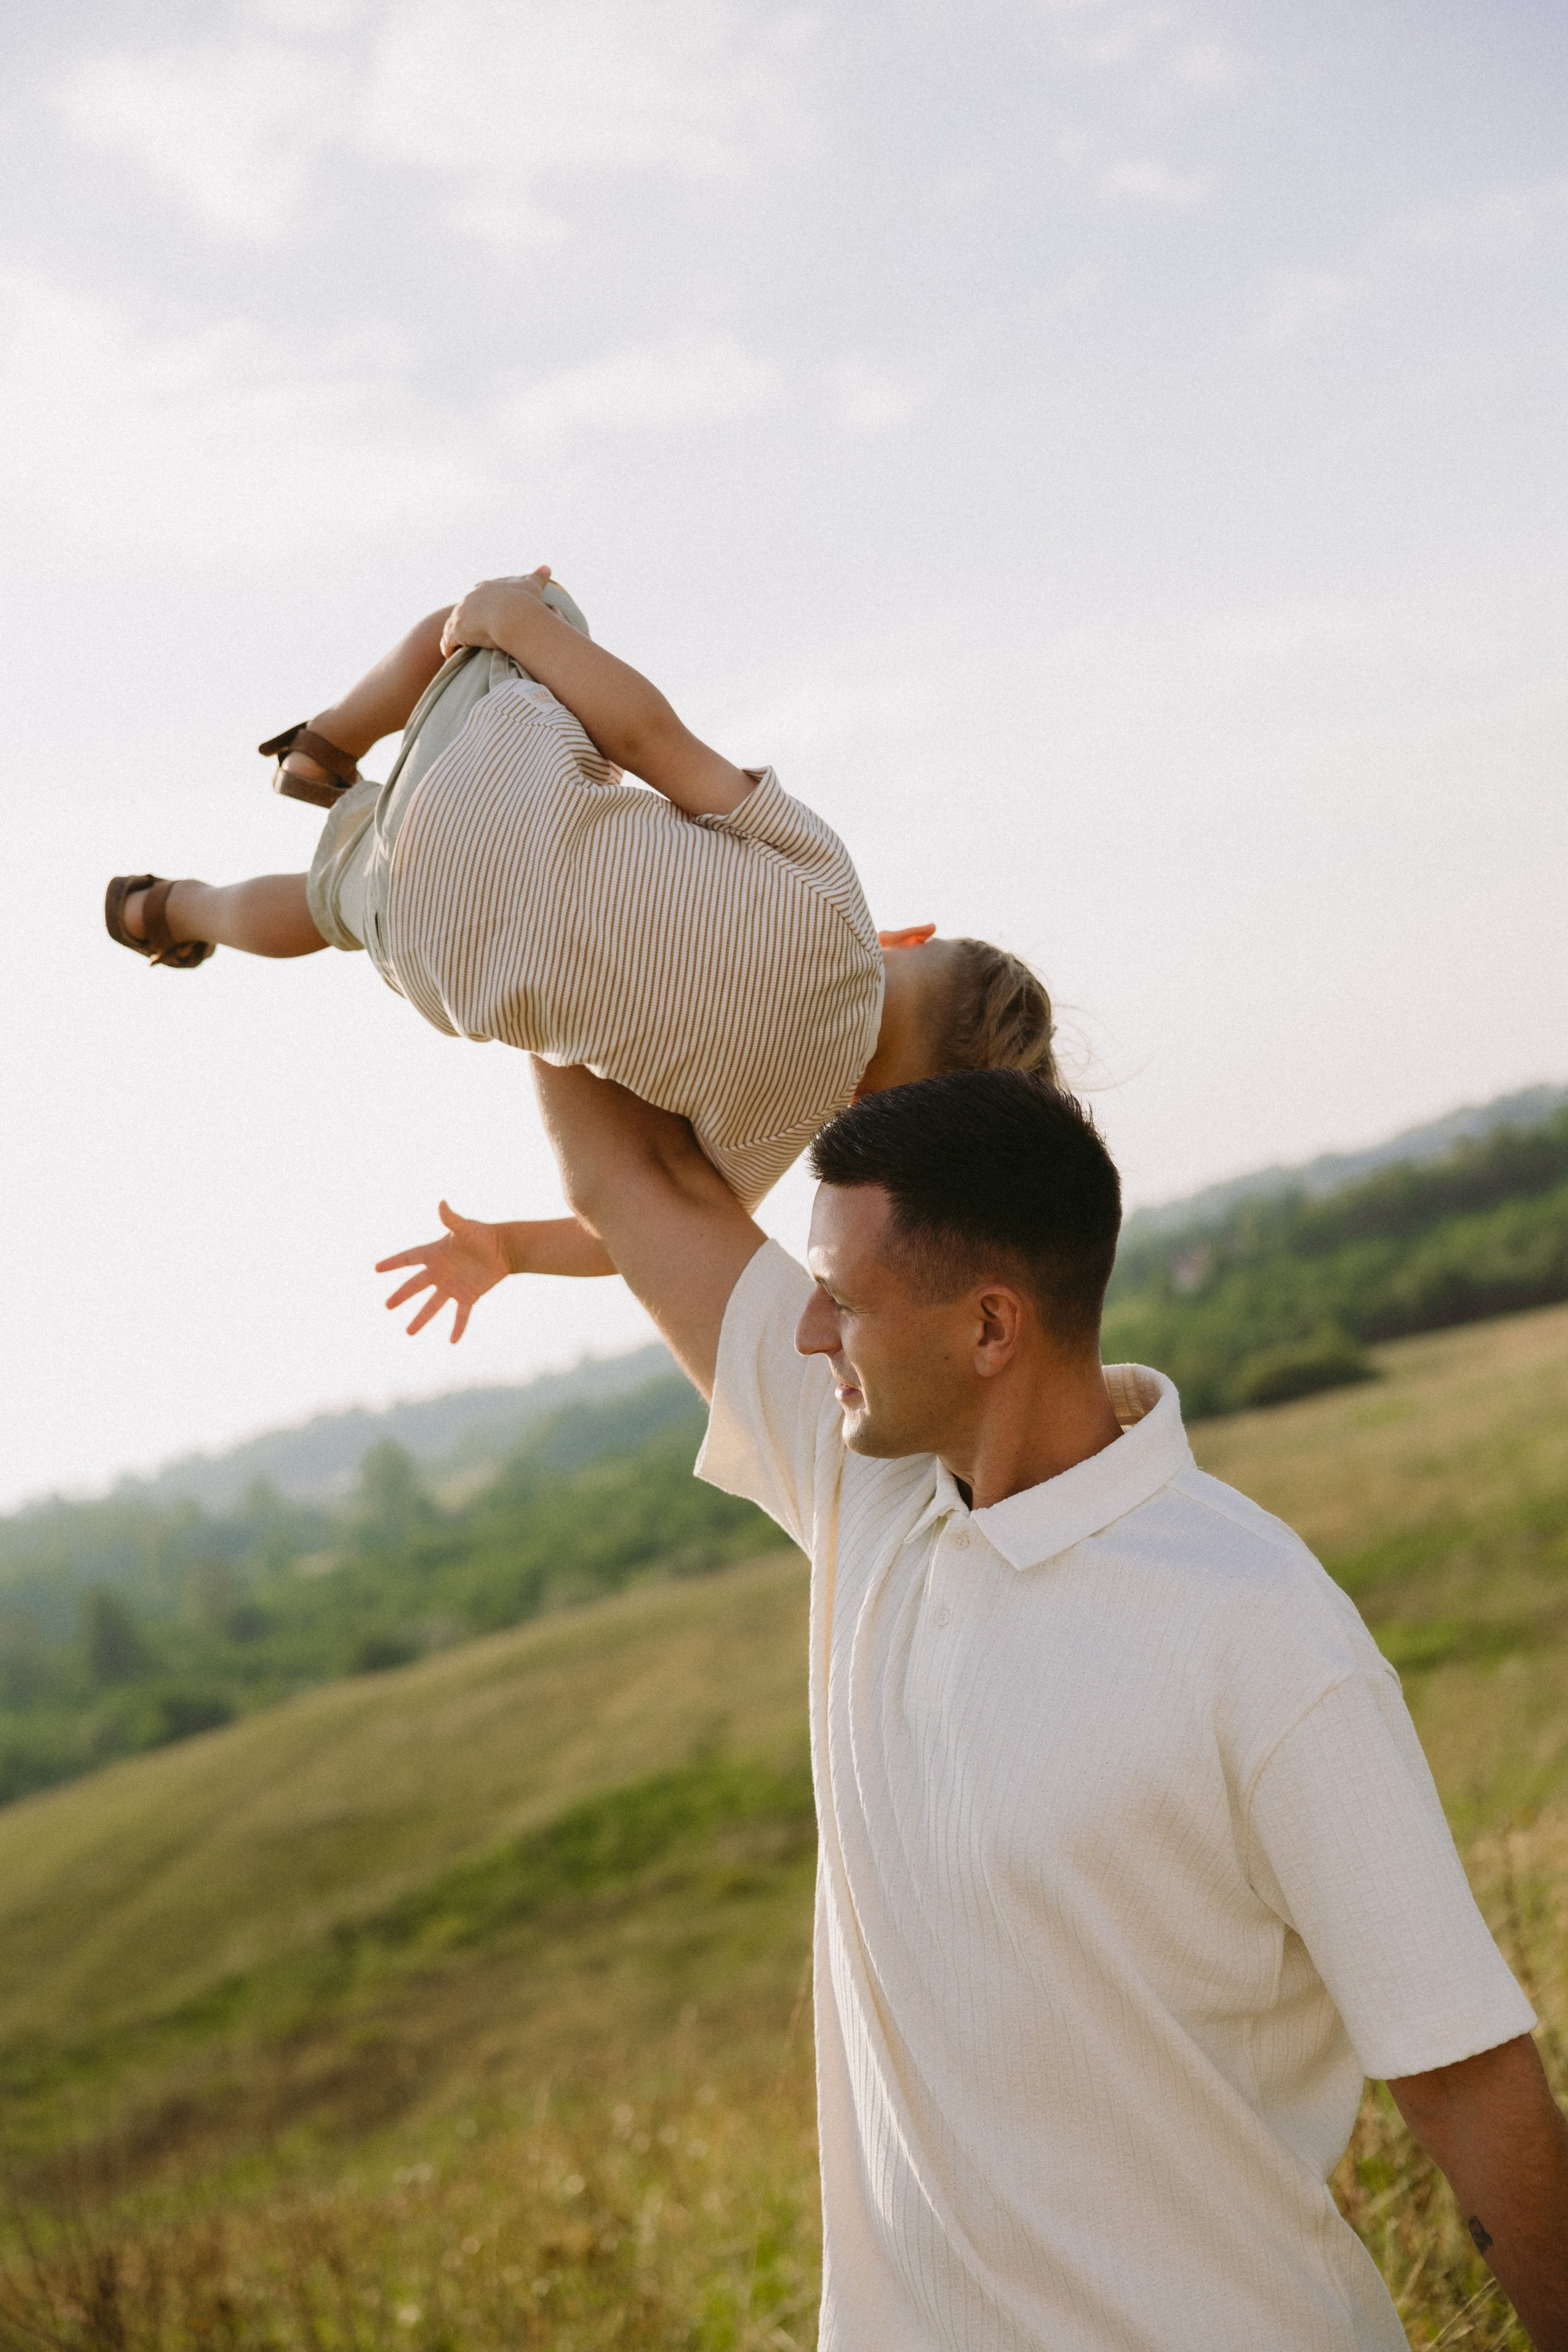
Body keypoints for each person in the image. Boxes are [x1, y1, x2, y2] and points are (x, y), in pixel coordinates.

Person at [510, 1054, 1568, 2352]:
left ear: (990, 1330)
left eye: (842, 1299)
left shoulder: (1260, 1630)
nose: (807, 1331)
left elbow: (1464, 2079)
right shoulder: (866, 1498)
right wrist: (438, 912)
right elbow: (634, 1178)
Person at [105, 570, 1054, 1314]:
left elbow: (645, 735)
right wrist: (508, 1249)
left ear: (909, 936)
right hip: (438, 959)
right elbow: (633, 1227)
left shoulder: (833, 889)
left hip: (486, 776)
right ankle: (172, 914)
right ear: (879, 1109)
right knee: (333, 912)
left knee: (530, 605)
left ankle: (324, 746)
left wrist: (521, 625)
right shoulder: (779, 1123)